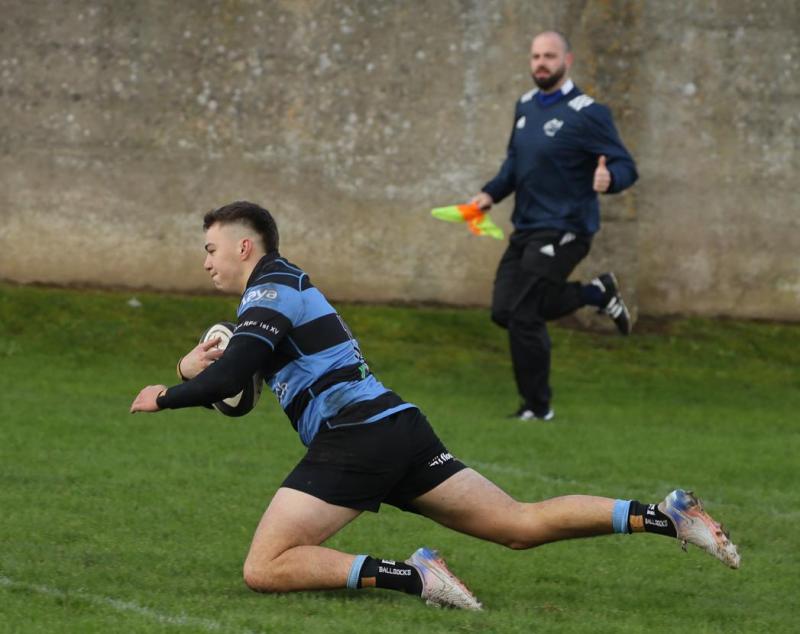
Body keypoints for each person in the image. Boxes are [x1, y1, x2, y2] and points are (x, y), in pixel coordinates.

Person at [130, 201, 739, 610]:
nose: (205, 261)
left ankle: (416, 575)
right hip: (395, 428)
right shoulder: (277, 295)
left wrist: (168, 394)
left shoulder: (271, 288)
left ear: (243, 246)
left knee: (264, 568)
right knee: (518, 525)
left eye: (210, 249)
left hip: (356, 437)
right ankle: (668, 516)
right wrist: (194, 369)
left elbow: (230, 376)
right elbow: (238, 397)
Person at [469, 31, 639, 422]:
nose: (541, 63)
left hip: (567, 227)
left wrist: (610, 179)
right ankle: (595, 294)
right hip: (526, 227)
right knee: (503, 311)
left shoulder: (588, 112)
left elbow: (626, 166)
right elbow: (514, 164)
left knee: (525, 312)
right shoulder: (525, 105)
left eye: (549, 56)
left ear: (568, 60)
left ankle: (537, 407)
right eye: (535, 57)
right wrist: (489, 195)